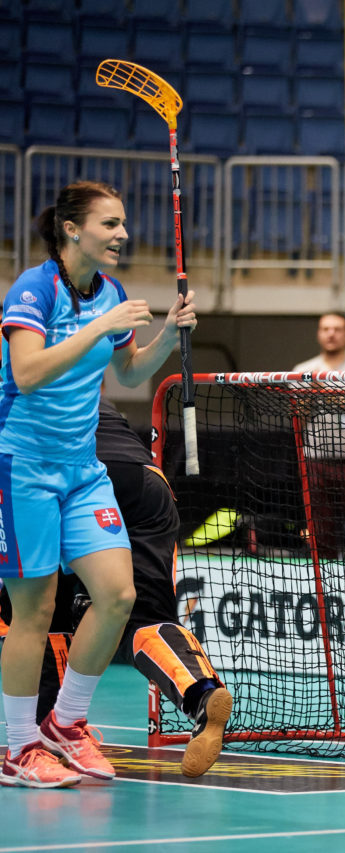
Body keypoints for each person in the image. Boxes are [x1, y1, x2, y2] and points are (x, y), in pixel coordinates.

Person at [0, 180, 197, 788]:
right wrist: (98, 326)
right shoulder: (36, 289)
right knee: (33, 612)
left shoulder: (111, 290)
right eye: (110, 224)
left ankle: (66, 724)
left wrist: (167, 333)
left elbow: (130, 369)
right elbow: (27, 372)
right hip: (22, 469)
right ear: (71, 229)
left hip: (82, 471)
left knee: (116, 595)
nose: (123, 235)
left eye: (123, 223)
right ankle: (15, 746)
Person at [0, 398, 233, 778]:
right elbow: (131, 366)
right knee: (138, 611)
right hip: (144, 483)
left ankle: (40, 734)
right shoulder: (83, 384)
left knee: (35, 611)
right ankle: (200, 692)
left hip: (56, 482)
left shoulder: (18, 389)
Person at [292, 312, 345, 560]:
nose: (331, 333)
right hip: (314, 460)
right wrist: (310, 394)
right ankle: (325, 587)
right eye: (326, 328)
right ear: (319, 334)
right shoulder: (303, 370)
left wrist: (328, 392)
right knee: (319, 533)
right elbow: (296, 419)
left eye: (337, 328)